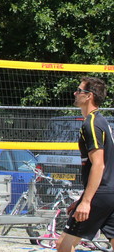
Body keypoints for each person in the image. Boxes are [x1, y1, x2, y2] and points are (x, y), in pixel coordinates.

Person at [56, 77, 114, 252]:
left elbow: (99, 165)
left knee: (63, 246)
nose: (75, 93)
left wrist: (86, 201)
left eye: (79, 90)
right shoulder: (101, 121)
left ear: (89, 96)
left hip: (100, 194)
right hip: (109, 193)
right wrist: (81, 199)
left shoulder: (92, 124)